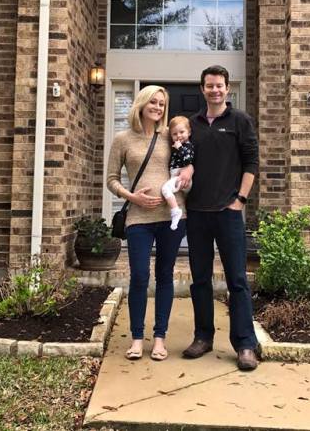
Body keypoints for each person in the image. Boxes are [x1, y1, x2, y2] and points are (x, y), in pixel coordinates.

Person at [177, 65, 260, 371]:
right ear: (202, 89)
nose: (214, 90)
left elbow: (251, 162)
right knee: (200, 280)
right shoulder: (192, 124)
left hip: (228, 214)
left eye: (219, 85)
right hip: (198, 213)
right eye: (209, 85)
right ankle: (203, 337)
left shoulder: (240, 120)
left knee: (237, 280)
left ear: (227, 88)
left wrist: (240, 200)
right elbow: (182, 160)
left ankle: (245, 344)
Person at [106, 85, 186, 362]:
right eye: (153, 102)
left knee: (165, 275)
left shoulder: (169, 136)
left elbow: (188, 161)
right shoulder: (123, 139)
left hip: (171, 216)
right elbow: (111, 179)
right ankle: (137, 338)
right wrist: (132, 197)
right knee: (140, 276)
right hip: (138, 218)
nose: (158, 108)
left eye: (162, 104)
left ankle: (160, 338)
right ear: (141, 103)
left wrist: (186, 176)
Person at [160, 116, 195, 230]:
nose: (178, 136)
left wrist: (179, 148)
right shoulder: (177, 145)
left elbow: (188, 160)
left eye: (182, 132)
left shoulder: (188, 146)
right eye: (174, 134)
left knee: (165, 189)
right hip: (176, 177)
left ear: (189, 132)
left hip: (181, 178)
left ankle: (175, 211)